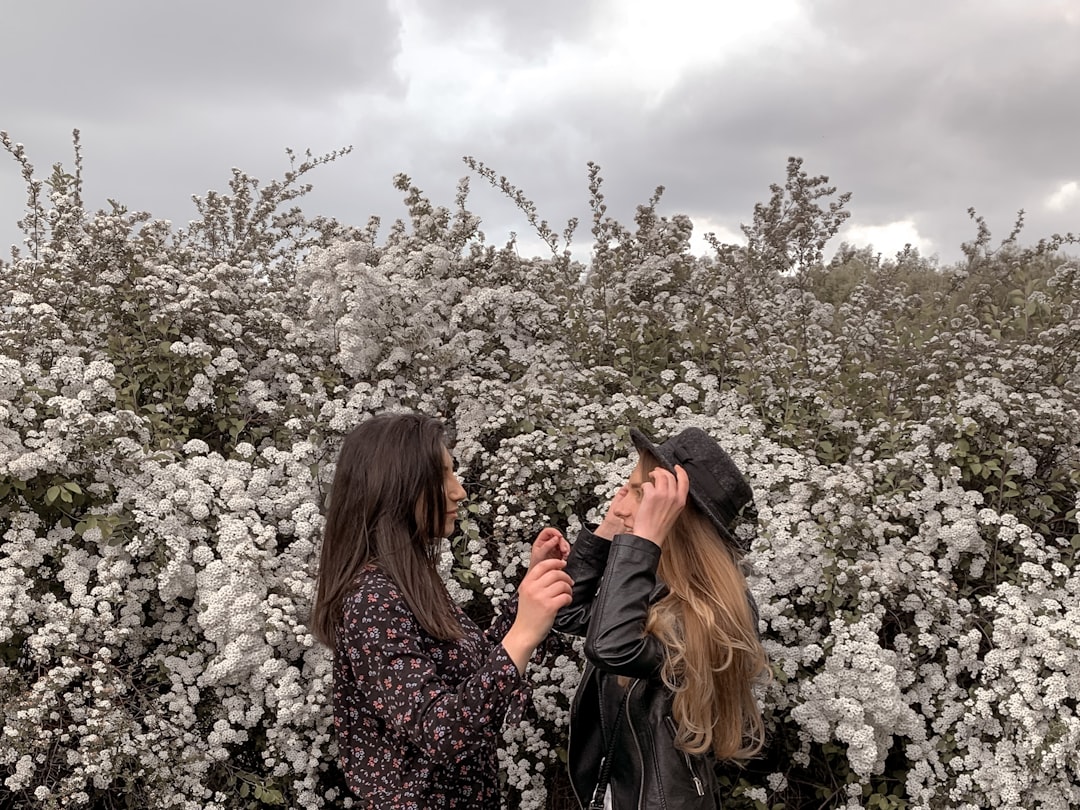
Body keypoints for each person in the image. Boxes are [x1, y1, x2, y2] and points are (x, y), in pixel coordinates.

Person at [311, 411, 573, 809]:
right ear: (397, 488)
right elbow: (442, 729)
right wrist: (522, 635)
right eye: (443, 476)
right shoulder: (371, 600)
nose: (459, 491)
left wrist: (531, 592)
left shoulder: (408, 580)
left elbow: (475, 670)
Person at [555, 426, 769, 809]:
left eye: (641, 493)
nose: (621, 503)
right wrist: (606, 532)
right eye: (630, 487)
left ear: (677, 517)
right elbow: (569, 613)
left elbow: (610, 647)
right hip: (621, 791)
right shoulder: (656, 584)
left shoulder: (707, 611)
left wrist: (642, 542)